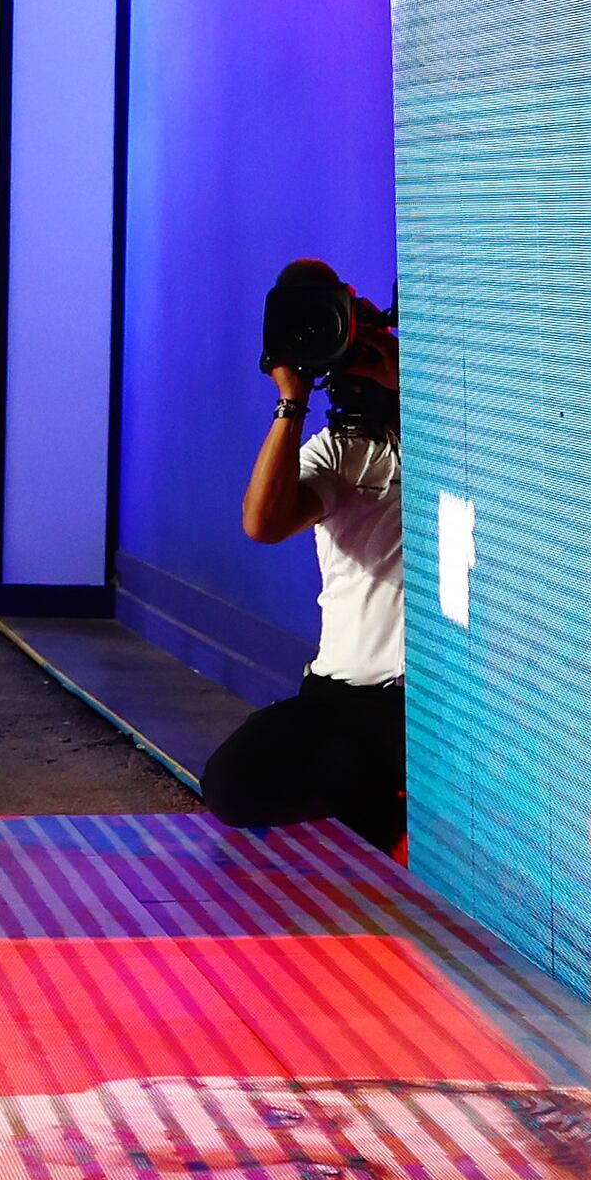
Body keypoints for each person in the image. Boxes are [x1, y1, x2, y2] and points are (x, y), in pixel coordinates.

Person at [204, 260, 409, 851]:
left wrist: (403, 382)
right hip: (341, 698)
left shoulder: (448, 444)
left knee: (363, 779)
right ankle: (379, 808)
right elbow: (261, 523)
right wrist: (291, 400)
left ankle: (384, 811)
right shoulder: (337, 455)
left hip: (430, 704)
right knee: (231, 784)